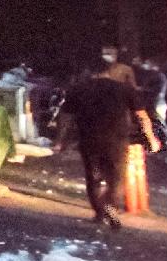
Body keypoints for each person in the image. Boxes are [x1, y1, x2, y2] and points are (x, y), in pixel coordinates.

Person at [55, 58, 160, 229]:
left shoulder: (79, 88)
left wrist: (60, 140)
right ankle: (111, 206)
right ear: (111, 71)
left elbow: (66, 116)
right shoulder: (124, 89)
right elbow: (142, 116)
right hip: (116, 141)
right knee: (116, 178)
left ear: (89, 72)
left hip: (89, 140)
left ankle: (99, 212)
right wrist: (151, 138)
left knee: (94, 177)